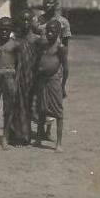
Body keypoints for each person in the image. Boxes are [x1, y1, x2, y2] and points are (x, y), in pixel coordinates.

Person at [34, 20, 69, 153]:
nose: (49, 33)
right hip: (42, 80)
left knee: (58, 111)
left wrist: (63, 85)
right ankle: (38, 138)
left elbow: (66, 68)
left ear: (58, 32)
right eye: (47, 30)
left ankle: (58, 143)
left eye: (52, 31)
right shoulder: (43, 44)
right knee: (42, 108)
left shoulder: (60, 48)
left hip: (54, 81)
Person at [0, 17, 20, 150]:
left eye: (7, 29)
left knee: (8, 108)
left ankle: (5, 137)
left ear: (11, 30)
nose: (4, 32)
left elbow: (19, 65)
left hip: (10, 76)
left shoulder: (15, 45)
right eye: (2, 29)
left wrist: (16, 81)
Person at [12, 9, 41, 146]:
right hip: (19, 76)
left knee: (30, 106)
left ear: (31, 22)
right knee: (19, 106)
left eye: (27, 20)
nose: (25, 22)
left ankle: (28, 135)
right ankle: (19, 136)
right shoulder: (16, 39)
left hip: (32, 75)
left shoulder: (36, 39)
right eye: (22, 20)